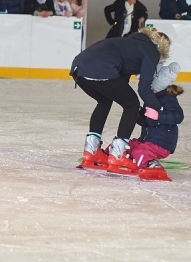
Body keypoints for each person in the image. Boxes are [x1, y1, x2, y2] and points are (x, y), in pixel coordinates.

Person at [71, 27, 171, 174]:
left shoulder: (129, 44)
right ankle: (118, 154)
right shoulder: (151, 51)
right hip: (100, 68)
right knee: (132, 105)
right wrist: (157, 108)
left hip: (78, 68)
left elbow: (120, 83)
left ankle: (91, 152)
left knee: (105, 101)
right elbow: (144, 88)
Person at [131, 62, 183, 182]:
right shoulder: (151, 98)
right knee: (130, 145)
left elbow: (178, 116)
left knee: (140, 151)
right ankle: (114, 156)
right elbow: (146, 121)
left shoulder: (167, 98)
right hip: (148, 139)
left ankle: (153, 166)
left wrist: (158, 115)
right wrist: (136, 114)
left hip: (161, 142)